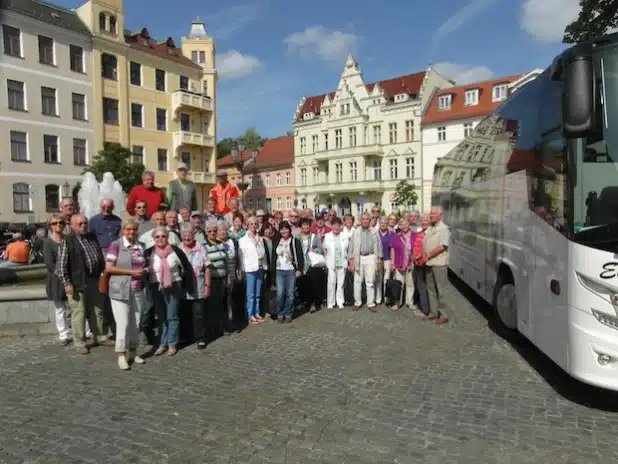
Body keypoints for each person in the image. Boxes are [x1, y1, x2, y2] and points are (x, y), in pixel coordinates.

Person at [56, 214, 111, 354]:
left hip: (94, 279)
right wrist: (66, 283)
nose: (83, 226)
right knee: (79, 312)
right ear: (73, 225)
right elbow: (61, 266)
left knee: (97, 309)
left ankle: (100, 336)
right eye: (80, 224)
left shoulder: (92, 237)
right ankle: (80, 342)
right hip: (77, 282)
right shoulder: (67, 240)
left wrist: (103, 273)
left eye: (85, 223)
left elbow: (99, 256)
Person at [105, 219, 148, 370]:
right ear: (123, 230)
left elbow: (143, 264)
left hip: (137, 289)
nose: (131, 232)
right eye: (128, 229)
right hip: (120, 290)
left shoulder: (141, 246)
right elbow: (109, 267)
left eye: (134, 229)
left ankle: (133, 352)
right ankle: (121, 355)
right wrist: (131, 272)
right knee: (123, 323)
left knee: (136, 323)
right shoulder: (116, 245)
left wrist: (146, 270)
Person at [145, 227, 190, 356]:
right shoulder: (149, 252)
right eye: (157, 237)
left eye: (163, 236)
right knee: (161, 317)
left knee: (172, 316)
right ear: (154, 239)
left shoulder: (175, 251)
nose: (160, 239)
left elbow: (185, 267)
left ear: (167, 237)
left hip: (174, 286)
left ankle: (172, 344)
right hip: (156, 287)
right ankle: (162, 343)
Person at [178, 223, 211, 350]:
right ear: (181, 236)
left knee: (199, 314)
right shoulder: (178, 249)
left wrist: (208, 286)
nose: (187, 238)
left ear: (193, 235)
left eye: (189, 235)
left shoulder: (201, 248)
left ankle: (200, 337)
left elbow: (207, 268)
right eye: (185, 235)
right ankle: (186, 337)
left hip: (199, 286)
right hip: (183, 287)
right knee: (184, 312)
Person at [419, 206, 450, 325]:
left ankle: (444, 315)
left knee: (441, 290)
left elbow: (443, 246)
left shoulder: (444, 229)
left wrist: (429, 255)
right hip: (429, 263)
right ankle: (433, 313)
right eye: (430, 213)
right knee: (431, 289)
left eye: (432, 213)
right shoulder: (431, 228)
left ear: (439, 215)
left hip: (439, 263)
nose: (430, 215)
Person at [43, 215, 71, 345]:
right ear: (50, 226)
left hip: (71, 278)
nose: (58, 225)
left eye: (61, 222)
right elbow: (50, 263)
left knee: (76, 306)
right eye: (55, 223)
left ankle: (84, 331)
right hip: (56, 279)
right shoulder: (48, 242)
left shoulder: (68, 239)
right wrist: (63, 277)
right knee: (60, 308)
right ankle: (63, 334)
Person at [347, 213, 382, 312]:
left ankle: (370, 303)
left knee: (370, 282)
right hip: (359, 257)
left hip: (371, 257)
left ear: (370, 220)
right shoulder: (356, 232)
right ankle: (357, 302)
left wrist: (379, 261)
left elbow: (379, 247)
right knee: (357, 281)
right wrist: (351, 261)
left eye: (367, 219)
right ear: (360, 221)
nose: (365, 221)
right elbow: (351, 247)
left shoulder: (375, 231)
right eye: (363, 219)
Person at [270, 222, 303, 322]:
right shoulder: (276, 241)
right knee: (280, 293)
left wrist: (299, 269)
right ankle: (280, 313)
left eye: (286, 229)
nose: (284, 231)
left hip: (291, 270)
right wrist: (273, 273)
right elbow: (273, 257)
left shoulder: (294, 241)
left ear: (289, 230)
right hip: (279, 270)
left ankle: (288, 313)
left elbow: (300, 256)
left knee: (290, 293)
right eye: (282, 229)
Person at [238, 216, 267, 325]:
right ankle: (250, 315)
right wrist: (242, 269)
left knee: (257, 293)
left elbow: (263, 254)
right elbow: (242, 256)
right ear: (247, 225)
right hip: (250, 268)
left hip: (259, 267)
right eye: (251, 224)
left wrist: (265, 267)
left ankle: (257, 313)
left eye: (255, 224)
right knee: (250, 294)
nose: (254, 226)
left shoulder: (260, 238)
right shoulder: (243, 240)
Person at [390, 218, 417, 311]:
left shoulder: (414, 235)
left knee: (410, 284)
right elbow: (393, 250)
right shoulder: (396, 236)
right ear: (399, 226)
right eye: (402, 224)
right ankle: (397, 303)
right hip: (399, 263)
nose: (404, 226)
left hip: (411, 263)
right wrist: (392, 263)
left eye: (406, 224)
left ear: (409, 224)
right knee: (398, 284)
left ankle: (410, 302)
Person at [322, 218, 348, 310]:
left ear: (340, 226)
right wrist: (325, 261)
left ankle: (340, 301)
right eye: (334, 225)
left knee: (340, 283)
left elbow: (347, 249)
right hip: (331, 263)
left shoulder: (344, 236)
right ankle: (331, 302)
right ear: (332, 226)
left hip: (342, 263)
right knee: (331, 283)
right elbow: (324, 250)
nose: (336, 227)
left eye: (338, 225)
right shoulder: (327, 236)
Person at [375, 217, 395, 305]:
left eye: (385, 223)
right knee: (378, 279)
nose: (383, 224)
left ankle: (386, 297)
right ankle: (378, 298)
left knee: (386, 279)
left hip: (387, 258)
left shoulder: (391, 234)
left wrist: (392, 261)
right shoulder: (375, 233)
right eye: (381, 223)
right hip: (377, 259)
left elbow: (392, 248)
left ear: (387, 224)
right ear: (379, 223)